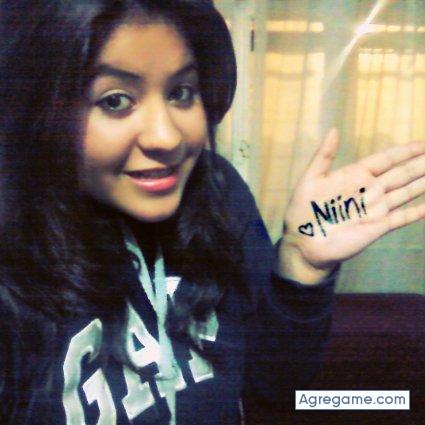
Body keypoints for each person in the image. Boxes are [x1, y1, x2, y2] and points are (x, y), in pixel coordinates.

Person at [0, 1, 424, 424]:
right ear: (38, 109)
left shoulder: (217, 193)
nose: (167, 137)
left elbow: (274, 386)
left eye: (180, 93)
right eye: (116, 100)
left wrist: (302, 266)